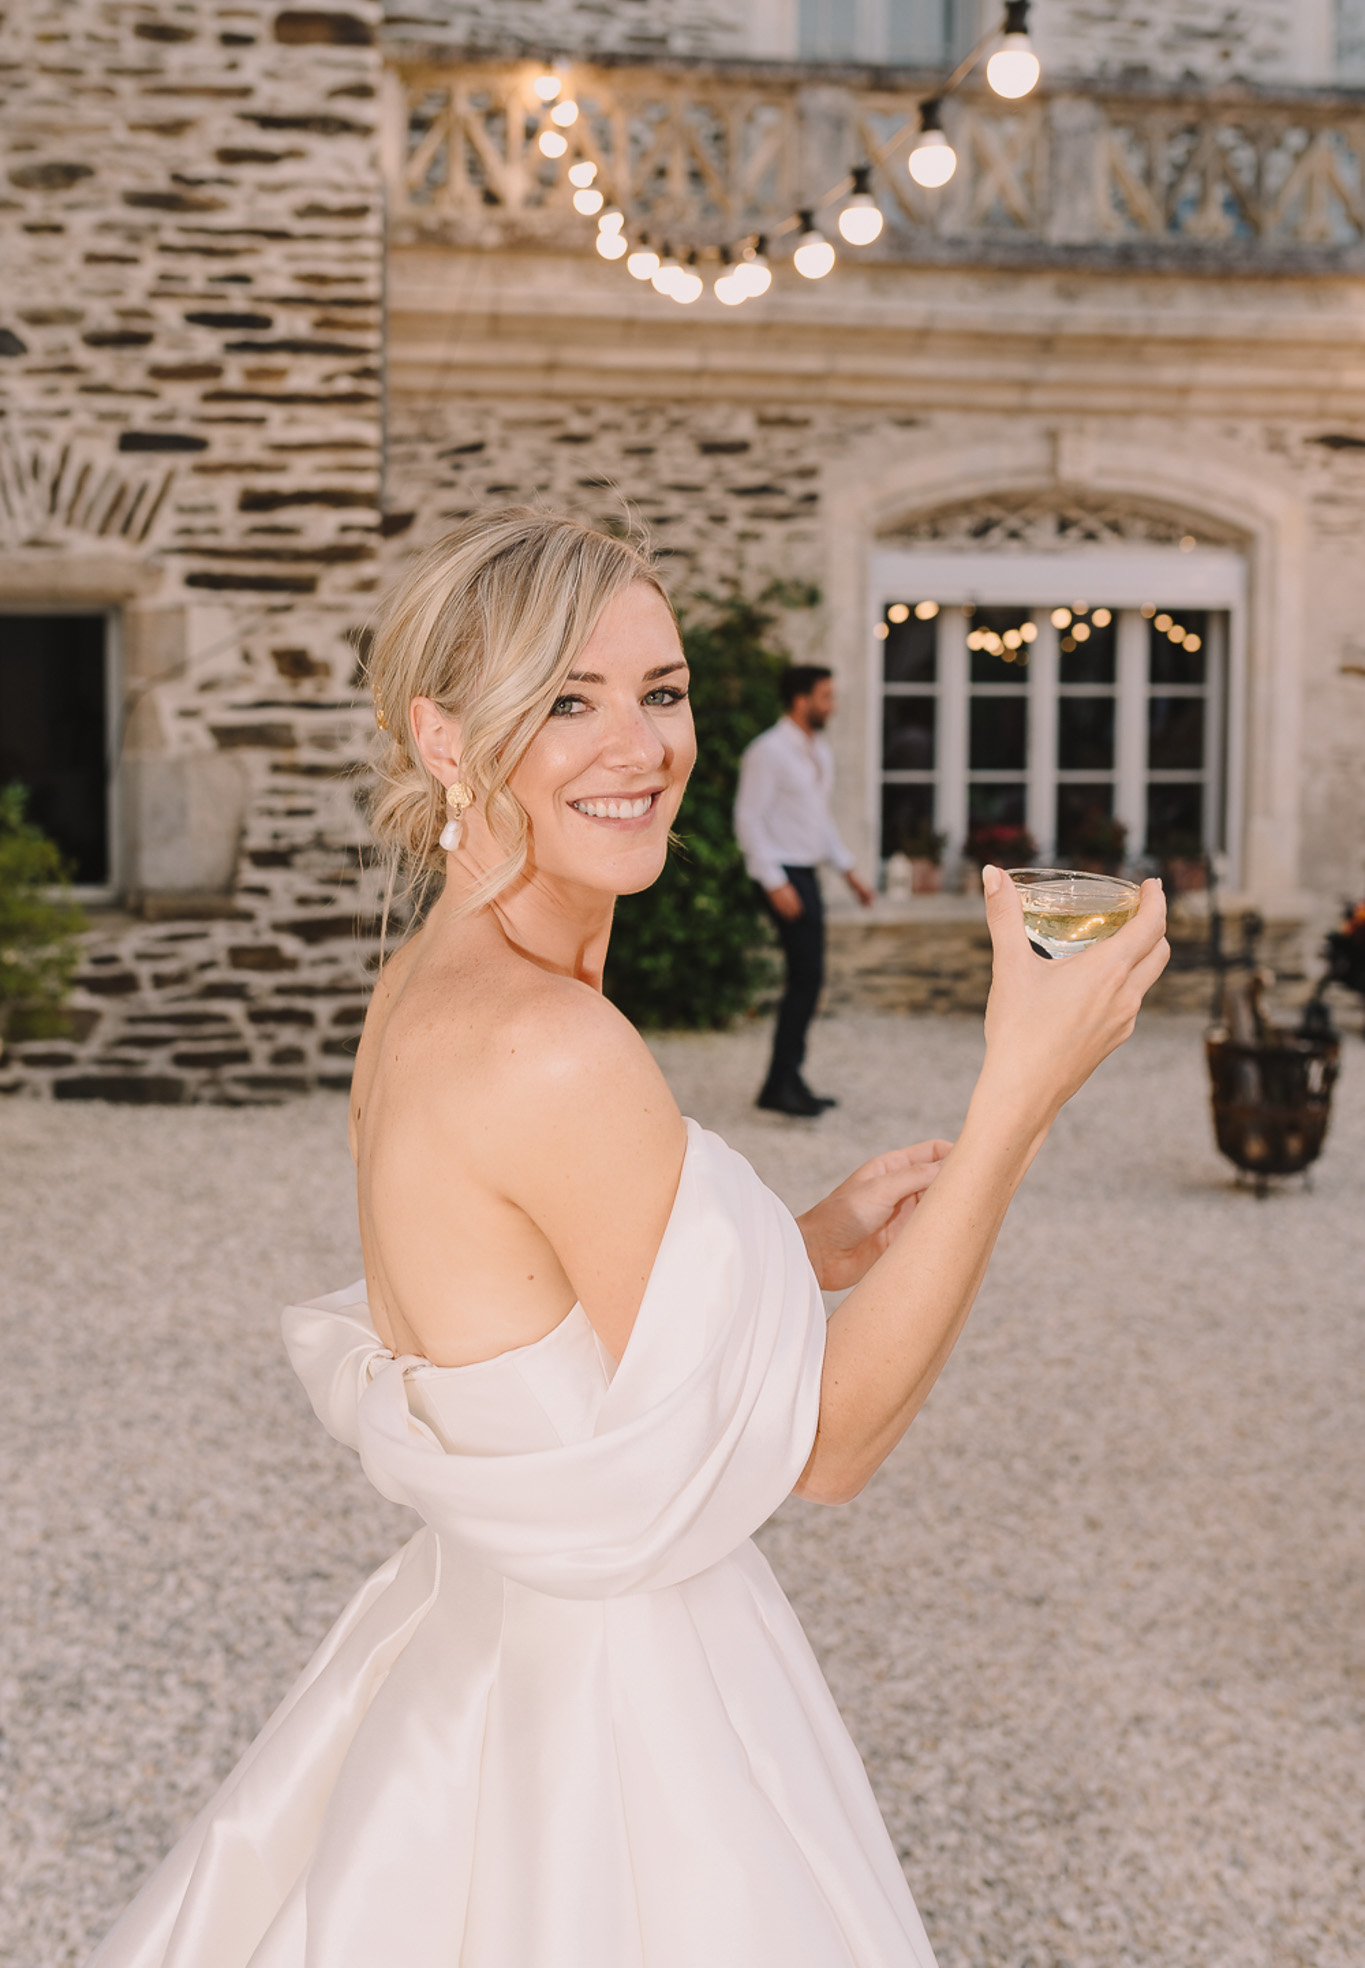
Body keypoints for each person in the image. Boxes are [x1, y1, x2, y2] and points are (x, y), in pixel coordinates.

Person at [88, 509, 1168, 1968]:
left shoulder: (435, 982)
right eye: (566, 701)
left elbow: (548, 1316)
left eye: (659, 692)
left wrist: (798, 1245)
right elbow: (831, 1445)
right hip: (614, 1710)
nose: (641, 745)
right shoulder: (549, 1042)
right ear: (448, 741)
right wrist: (1018, 1095)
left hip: (491, 1653)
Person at [734, 664, 876, 1116]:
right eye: (825, 697)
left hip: (807, 873)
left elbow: (818, 821)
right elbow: (748, 819)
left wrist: (849, 871)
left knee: (808, 979)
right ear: (801, 700)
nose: (831, 706)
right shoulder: (768, 752)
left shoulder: (819, 751)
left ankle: (787, 1078)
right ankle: (780, 1084)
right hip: (783, 875)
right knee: (806, 979)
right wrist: (774, 882)